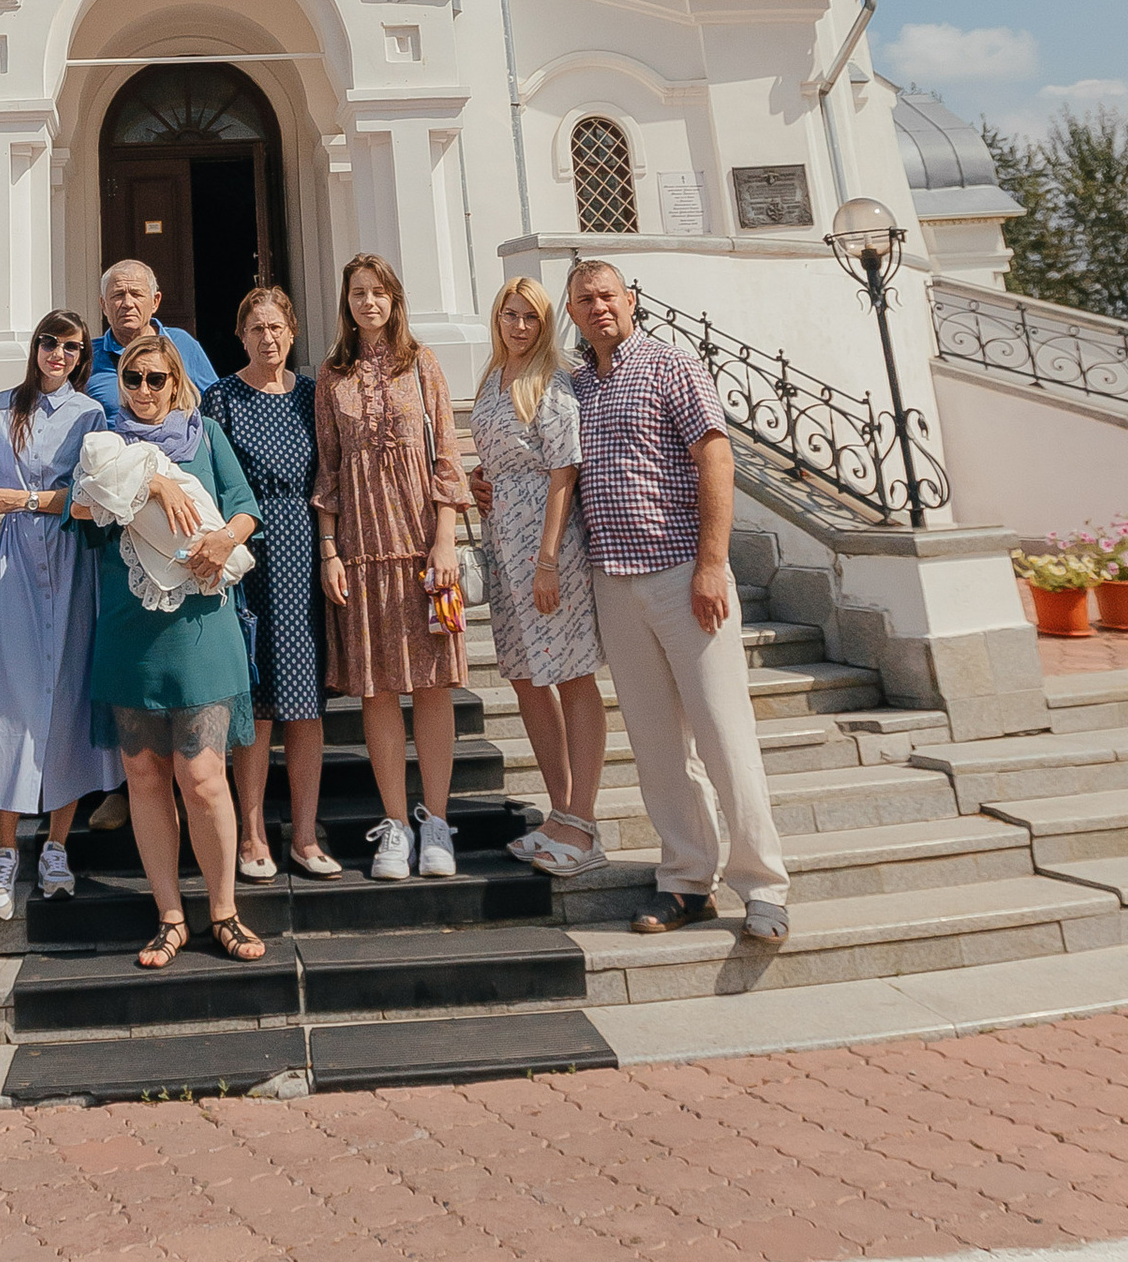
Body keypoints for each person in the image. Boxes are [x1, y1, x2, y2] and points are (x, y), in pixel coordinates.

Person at [563, 256, 790, 945]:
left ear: (630, 300)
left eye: (608, 295)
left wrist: (713, 564)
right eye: (585, 299)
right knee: (658, 746)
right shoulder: (575, 386)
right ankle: (688, 880)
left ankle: (764, 886)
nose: (599, 307)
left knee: (724, 735)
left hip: (682, 573)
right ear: (572, 313)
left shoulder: (671, 365)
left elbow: (716, 457)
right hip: (613, 583)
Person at [68, 332, 267, 970]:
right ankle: (169, 916)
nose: (145, 390)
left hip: (201, 627)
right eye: (133, 379)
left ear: (176, 382)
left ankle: (224, 911)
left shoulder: (206, 436)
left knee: (202, 777)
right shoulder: (104, 448)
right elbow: (81, 509)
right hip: (130, 632)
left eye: (157, 379)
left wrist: (224, 540)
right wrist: (151, 482)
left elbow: (245, 507)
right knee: (147, 777)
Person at [310, 253, 468, 881]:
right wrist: (329, 551)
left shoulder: (421, 364)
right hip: (362, 550)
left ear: (395, 300)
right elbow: (328, 469)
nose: (368, 302)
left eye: (379, 292)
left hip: (422, 546)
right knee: (376, 690)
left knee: (431, 686)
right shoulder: (332, 376)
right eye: (358, 292)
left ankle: (437, 823)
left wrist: (445, 540)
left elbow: (447, 456)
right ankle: (396, 825)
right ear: (346, 302)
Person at [0, 310, 119, 919]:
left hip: (74, 561)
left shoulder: (91, 415)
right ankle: (5, 849)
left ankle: (56, 845)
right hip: (19, 564)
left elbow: (89, 498)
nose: (58, 353)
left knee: (68, 697)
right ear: (35, 346)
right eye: (49, 342)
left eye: (71, 347)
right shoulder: (0, 408)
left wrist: (22, 498)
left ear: (82, 356)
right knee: (12, 697)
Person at [466, 278, 608, 876]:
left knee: (571, 675)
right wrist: (479, 480)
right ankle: (560, 811)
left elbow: (562, 472)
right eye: (510, 314)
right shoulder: (493, 378)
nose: (519, 325)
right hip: (503, 541)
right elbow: (500, 454)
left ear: (545, 322)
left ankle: (584, 823)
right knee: (526, 679)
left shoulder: (552, 379)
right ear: (497, 318)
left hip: (548, 548)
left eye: (530, 316)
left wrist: (548, 559)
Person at [203, 284, 335, 880]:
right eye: (256, 328)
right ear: (241, 335)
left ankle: (305, 836)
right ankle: (252, 834)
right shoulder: (222, 397)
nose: (268, 337)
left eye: (277, 327)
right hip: (247, 556)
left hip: (305, 553)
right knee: (255, 703)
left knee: (304, 703)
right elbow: (211, 481)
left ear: (293, 331)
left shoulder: (312, 394)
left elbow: (332, 472)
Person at [90, 255, 217, 419]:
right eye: (118, 295)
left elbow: (215, 403)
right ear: (103, 305)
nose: (128, 303)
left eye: (136, 294)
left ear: (155, 301)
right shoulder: (88, 356)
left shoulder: (181, 344)